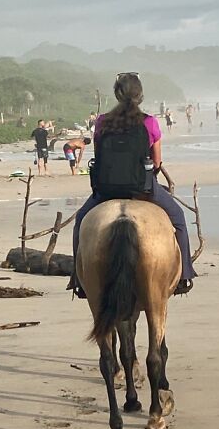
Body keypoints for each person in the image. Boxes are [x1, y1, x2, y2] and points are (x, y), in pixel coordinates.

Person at [68, 72, 196, 298]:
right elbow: (157, 162)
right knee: (179, 219)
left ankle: (78, 278)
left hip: (106, 189)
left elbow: (99, 156)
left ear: (117, 95)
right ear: (140, 95)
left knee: (80, 223)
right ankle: (184, 273)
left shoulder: (102, 121)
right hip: (142, 189)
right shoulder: (149, 122)